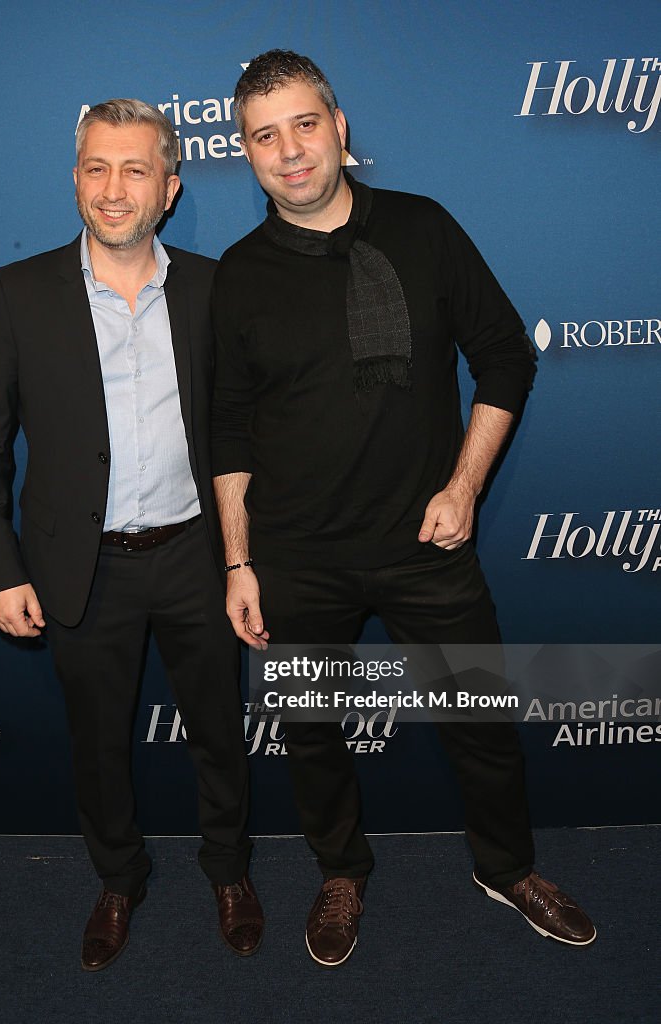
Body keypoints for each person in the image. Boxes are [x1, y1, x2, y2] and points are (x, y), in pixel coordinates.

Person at [211, 51, 595, 967]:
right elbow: (226, 428)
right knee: (313, 736)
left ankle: (506, 868)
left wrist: (464, 487)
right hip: (298, 555)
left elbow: (505, 355)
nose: (289, 150)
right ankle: (340, 871)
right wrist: (238, 560)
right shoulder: (237, 274)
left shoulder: (424, 227)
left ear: (340, 128)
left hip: (427, 544)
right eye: (265, 135)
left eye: (306, 124)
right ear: (246, 153)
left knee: (482, 724)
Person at [0, 99, 263, 971]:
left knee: (219, 732)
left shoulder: (215, 287)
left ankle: (230, 871)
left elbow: (247, 431)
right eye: (97, 168)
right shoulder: (15, 292)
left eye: (135, 170)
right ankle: (118, 879)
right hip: (80, 567)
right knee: (97, 747)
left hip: (197, 556)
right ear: (76, 181)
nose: (114, 189)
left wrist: (246, 555)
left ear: (170, 188)